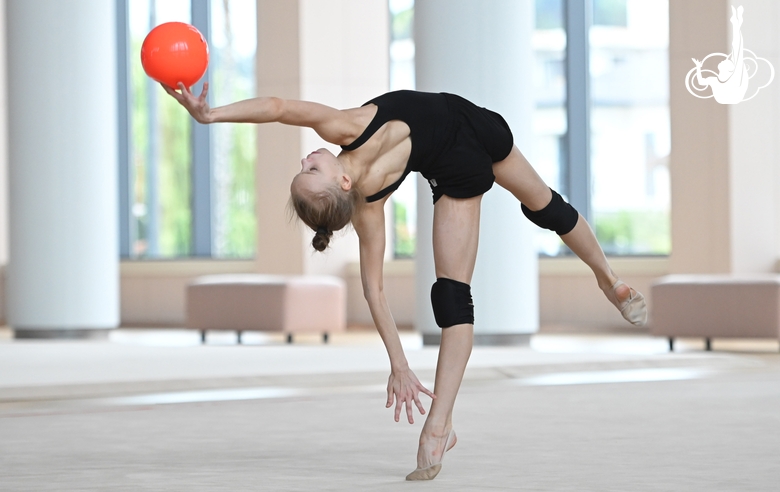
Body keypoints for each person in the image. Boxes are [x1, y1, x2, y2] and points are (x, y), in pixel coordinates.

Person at [164, 83, 647, 480]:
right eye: (311, 169)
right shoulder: (348, 131)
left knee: (456, 295)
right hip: (476, 128)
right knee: (541, 217)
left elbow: (375, 292)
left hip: (466, 150)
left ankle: (440, 426)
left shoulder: (365, 205)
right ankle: (609, 280)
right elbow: (278, 107)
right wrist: (210, 115)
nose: (308, 158)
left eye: (305, 166)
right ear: (343, 185)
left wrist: (399, 362)